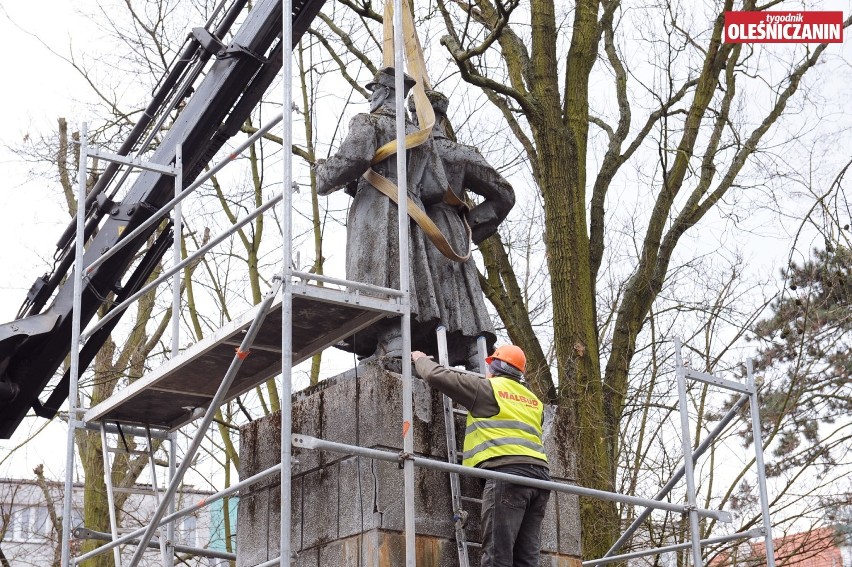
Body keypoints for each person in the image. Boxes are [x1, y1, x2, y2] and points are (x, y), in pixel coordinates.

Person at [315, 67, 452, 363]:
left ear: (386, 92)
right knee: (404, 276)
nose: (371, 97)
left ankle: (388, 343)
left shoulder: (367, 122)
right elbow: (436, 187)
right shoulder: (421, 136)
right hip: (412, 212)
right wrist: (408, 183)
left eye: (374, 90)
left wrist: (322, 173)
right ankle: (394, 343)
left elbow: (350, 161)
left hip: (376, 211)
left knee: (377, 276)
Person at [412, 344, 550, 567]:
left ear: (495, 367)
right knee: (526, 559)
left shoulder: (488, 389)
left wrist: (419, 358)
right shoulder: (534, 401)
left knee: (497, 555)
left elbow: (435, 375)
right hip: (541, 481)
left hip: (508, 475)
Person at [409, 90, 515, 369]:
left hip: (418, 228)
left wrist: (468, 228)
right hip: (448, 230)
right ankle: (473, 357)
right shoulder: (460, 154)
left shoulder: (408, 151)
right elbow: (503, 196)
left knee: (433, 293)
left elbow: (505, 194)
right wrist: (468, 227)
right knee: (457, 294)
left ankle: (427, 352)